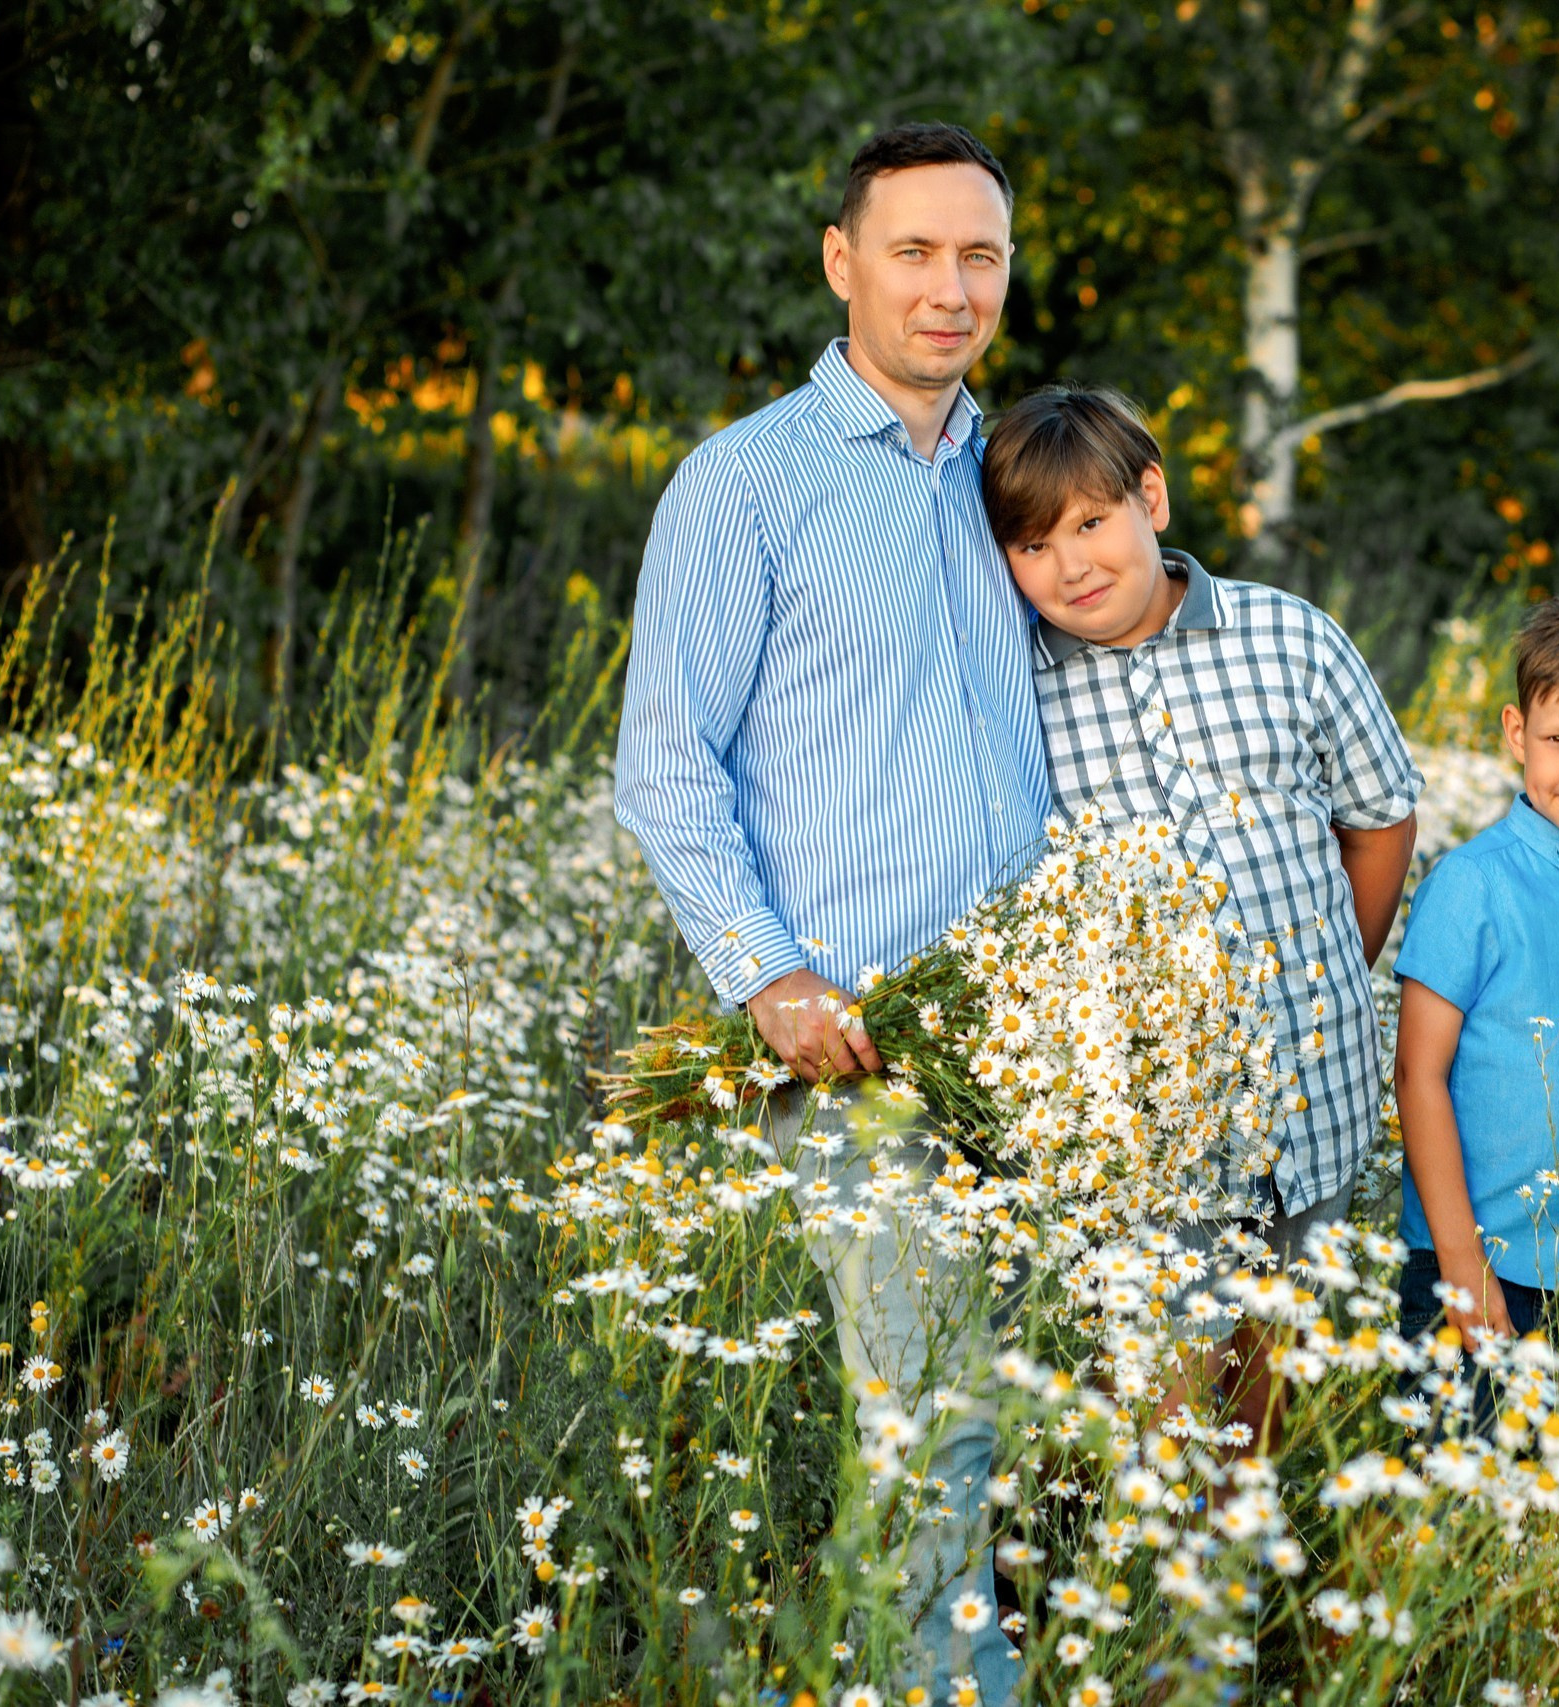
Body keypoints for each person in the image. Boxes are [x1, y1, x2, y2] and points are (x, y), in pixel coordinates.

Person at [612, 122, 1041, 1704]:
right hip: (866, 1050)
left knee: (1051, 1410)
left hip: (1047, 1044)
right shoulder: (747, 486)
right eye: (915, 252)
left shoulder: (1014, 480)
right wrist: (771, 975)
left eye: (979, 255)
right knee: (935, 1415)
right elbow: (665, 769)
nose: (950, 287)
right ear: (841, 262)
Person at [978, 384, 1421, 1447]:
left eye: (1091, 524)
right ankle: (1177, 1585)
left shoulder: (1289, 638)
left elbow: (1379, 820)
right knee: (1164, 1397)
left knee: (1271, 1377)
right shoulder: (1012, 694)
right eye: (1033, 547)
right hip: (1146, 1127)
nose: (1072, 565)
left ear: (1152, 500)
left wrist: (1326, 979)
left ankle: (1252, 1566)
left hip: (1313, 1098)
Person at [1392, 598, 1559, 1382]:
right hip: (1486, 1262)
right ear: (1517, 734)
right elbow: (1418, 1075)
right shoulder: (1472, 884)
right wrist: (1460, 1259)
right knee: (1464, 1491)